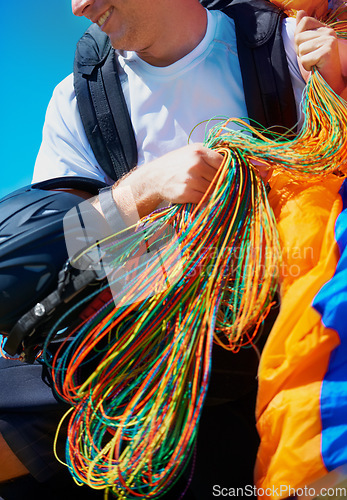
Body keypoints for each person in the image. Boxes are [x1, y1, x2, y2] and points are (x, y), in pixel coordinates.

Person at [0, 0, 346, 498]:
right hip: (135, 344)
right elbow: (61, 263)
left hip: (273, 332)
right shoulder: (79, 100)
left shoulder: (293, 51)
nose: (78, 7)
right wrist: (140, 194)